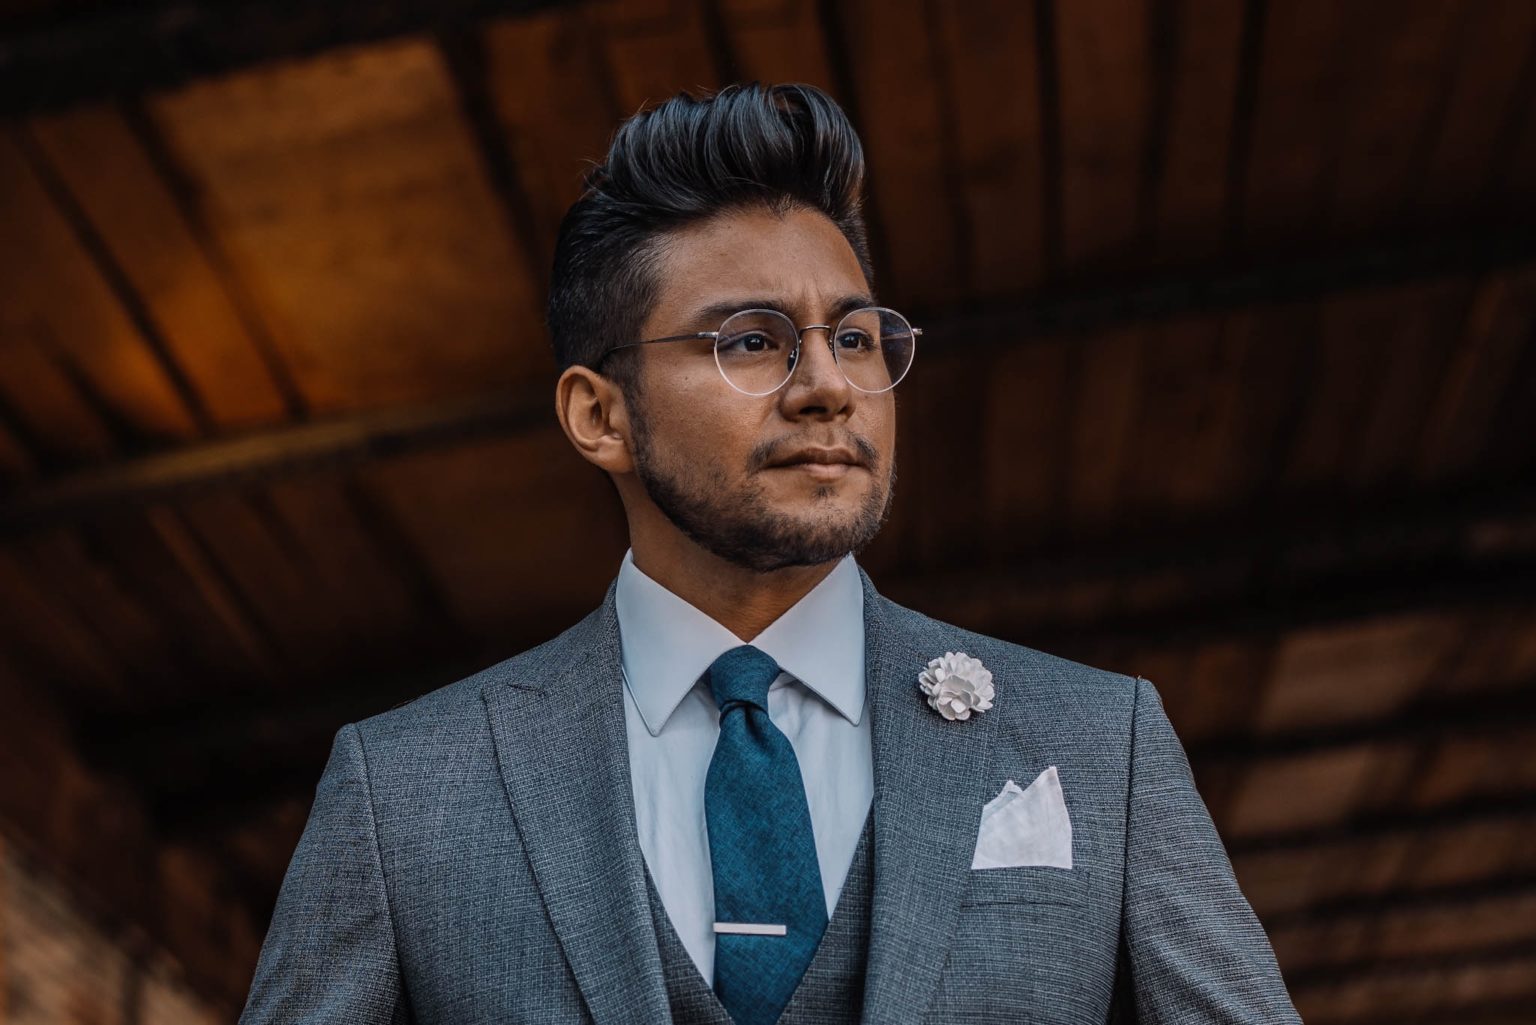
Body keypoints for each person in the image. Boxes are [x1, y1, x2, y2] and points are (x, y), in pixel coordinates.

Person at [238, 83, 1302, 1024]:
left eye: (853, 335)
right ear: (598, 415)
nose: (828, 383)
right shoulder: (408, 790)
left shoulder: (1097, 743)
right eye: (749, 339)